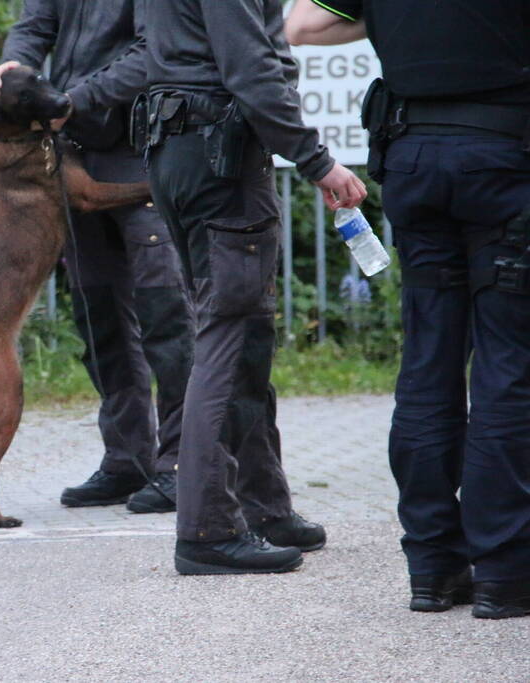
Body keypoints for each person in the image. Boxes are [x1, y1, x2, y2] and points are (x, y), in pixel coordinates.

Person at [287, 0, 530, 618]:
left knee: (428, 364)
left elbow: (301, 24)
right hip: (505, 158)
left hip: (413, 157)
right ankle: (504, 572)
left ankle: (432, 568)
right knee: (508, 368)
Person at [141, 0, 366, 574]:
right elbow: (250, 70)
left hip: (175, 146)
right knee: (228, 336)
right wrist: (319, 163)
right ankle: (206, 530)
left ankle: (264, 508)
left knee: (245, 339)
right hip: (220, 156)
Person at [0, 0, 195, 514]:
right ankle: (126, 460)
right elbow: (34, 27)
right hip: (73, 155)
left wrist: (74, 98)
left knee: (166, 317)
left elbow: (154, 52)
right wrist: (12, 67)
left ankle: (180, 465)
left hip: (142, 149)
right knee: (99, 319)